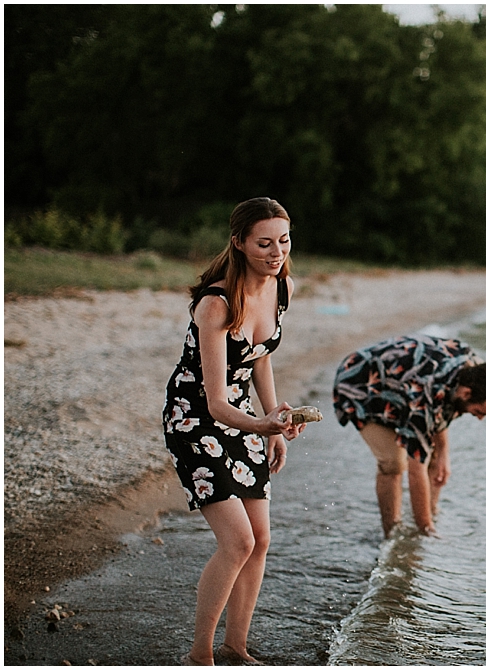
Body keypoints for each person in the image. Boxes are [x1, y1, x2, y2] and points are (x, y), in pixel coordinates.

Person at [162, 197, 305, 666]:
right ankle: (199, 653)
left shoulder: (280, 286)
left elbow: (261, 354)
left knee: (261, 539)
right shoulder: (216, 305)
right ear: (240, 243)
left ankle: (235, 647)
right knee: (238, 541)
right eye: (264, 243)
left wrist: (275, 425)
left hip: (242, 416)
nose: (276, 252)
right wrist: (260, 424)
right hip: (195, 419)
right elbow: (215, 401)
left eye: (283, 240)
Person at [332, 334, 486, 538]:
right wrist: (426, 531)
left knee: (436, 457)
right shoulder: (426, 394)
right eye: (479, 411)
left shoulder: (476, 371)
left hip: (401, 384)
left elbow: (442, 412)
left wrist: (444, 454)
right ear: (466, 393)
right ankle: (394, 532)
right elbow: (416, 469)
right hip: (360, 385)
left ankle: (430, 513)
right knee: (394, 463)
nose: (480, 418)